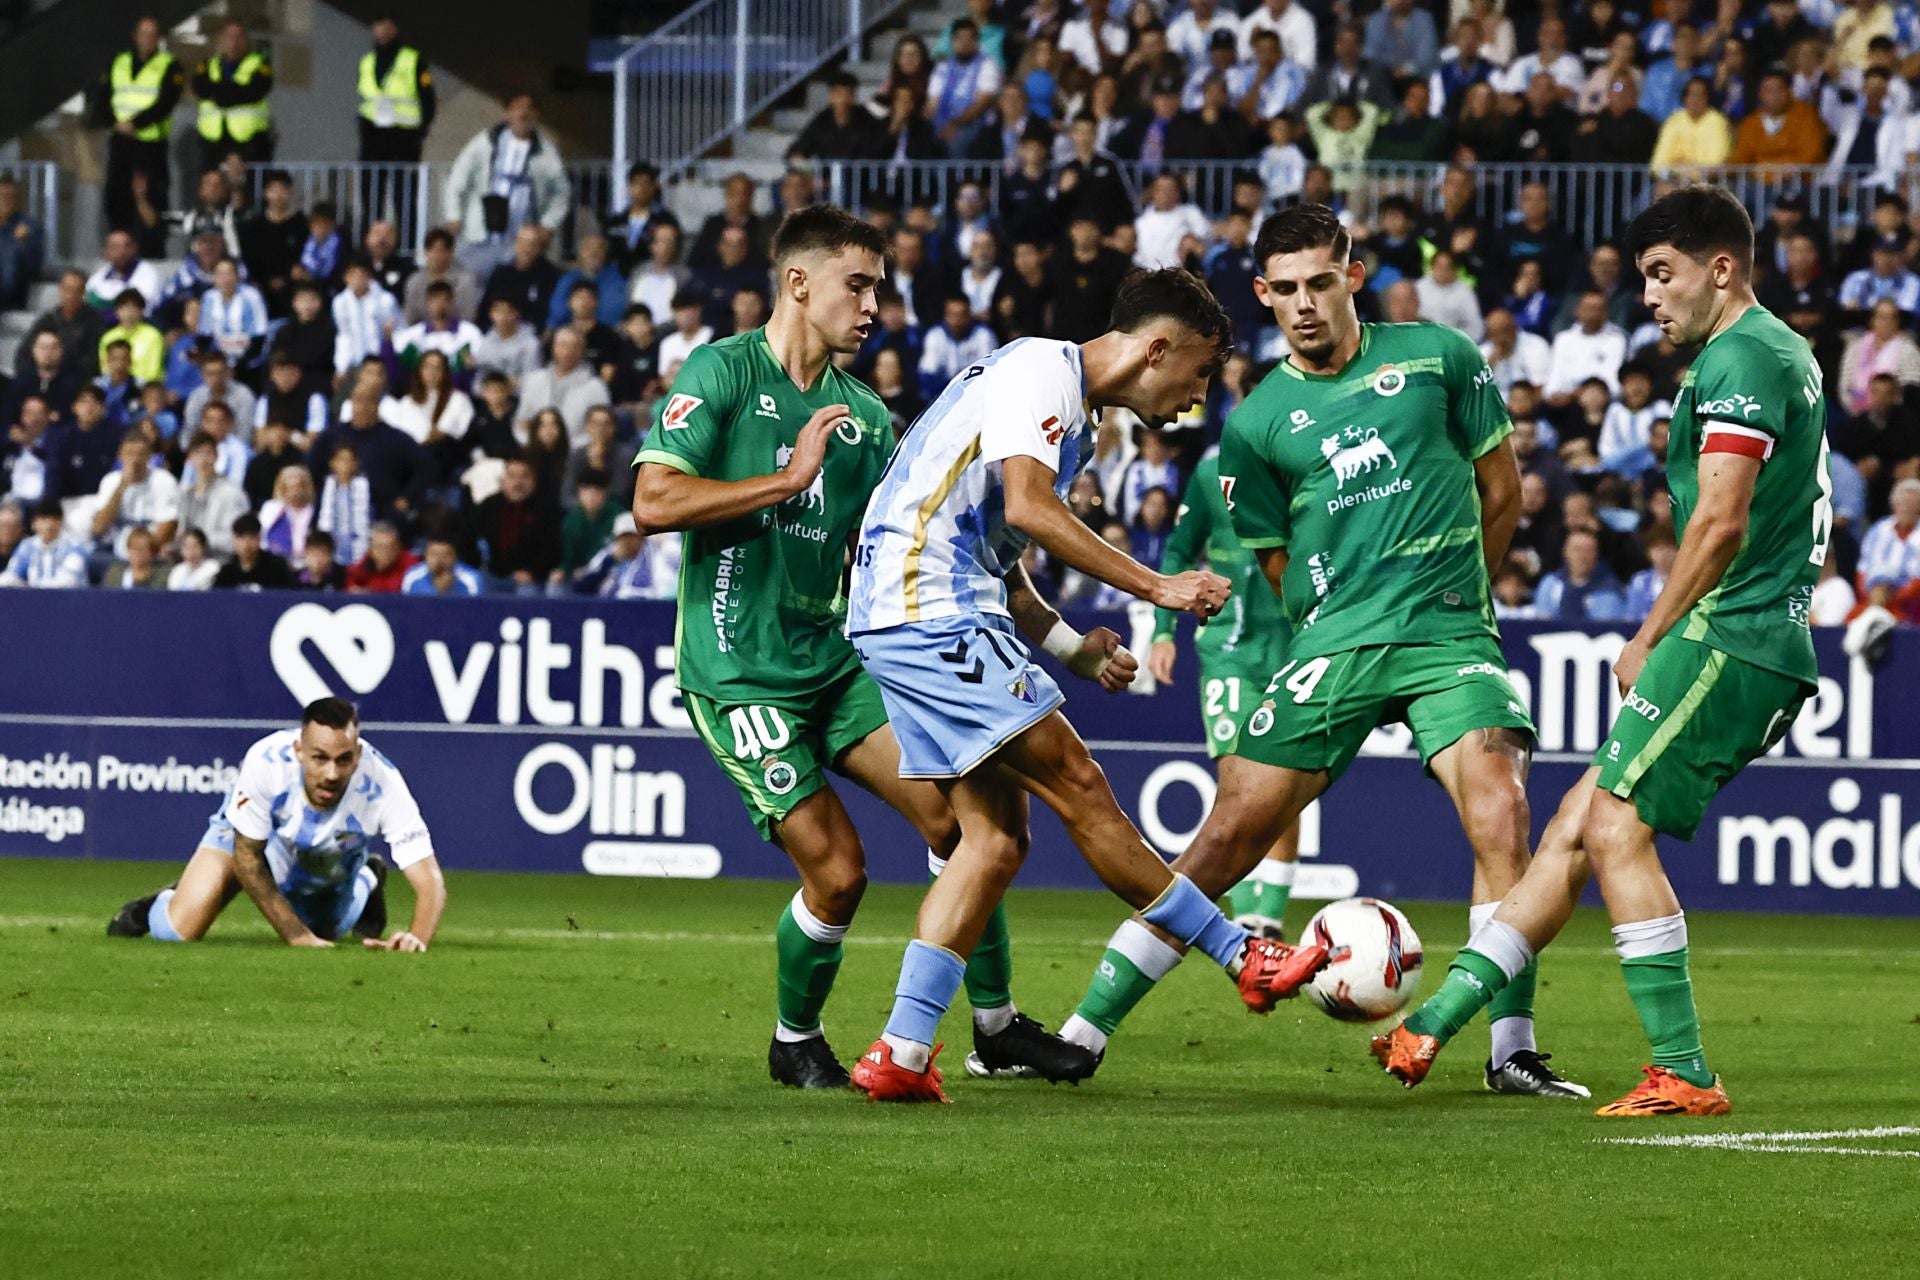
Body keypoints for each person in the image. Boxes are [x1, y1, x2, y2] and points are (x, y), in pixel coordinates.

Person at [1056, 205, 1585, 1100]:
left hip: (1447, 636)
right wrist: (1329, 620)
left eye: (1320, 282)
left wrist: (1463, 596)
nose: (1304, 304)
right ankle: (1080, 1033)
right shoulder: (1257, 423)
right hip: (1331, 645)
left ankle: (1512, 1050)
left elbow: (1503, 491)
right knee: (1226, 834)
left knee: (1501, 814)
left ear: (1353, 273)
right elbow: (1274, 563)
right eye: (1285, 290)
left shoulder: (1439, 358)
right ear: (1262, 294)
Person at [1377, 185, 1833, 1117]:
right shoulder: (1777, 348)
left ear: (1722, 268)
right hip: (1751, 635)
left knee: (1616, 831)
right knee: (1573, 832)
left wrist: (1650, 631)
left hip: (1730, 635)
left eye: (1665, 276)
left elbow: (1720, 520)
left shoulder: (1743, 354)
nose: (1652, 299)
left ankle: (1685, 1070)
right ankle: (1435, 1023)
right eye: (1644, 281)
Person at [843, 266, 1314, 1103]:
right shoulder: (1039, 371)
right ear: (1156, 348)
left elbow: (1001, 549)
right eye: (1199, 371)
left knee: (992, 841)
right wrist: (1157, 587)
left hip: (926, 609)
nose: (1198, 396)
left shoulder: (1071, 419)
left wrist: (1069, 647)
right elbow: (1028, 508)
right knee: (1078, 782)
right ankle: (1244, 957)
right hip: (926, 609)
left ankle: (901, 1054)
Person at [632, 205, 1070, 1090]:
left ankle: (993, 1025)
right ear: (799, 283)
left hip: (834, 664)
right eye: (857, 285)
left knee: (962, 818)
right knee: (838, 874)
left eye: (880, 288)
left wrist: (1058, 633)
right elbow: (654, 502)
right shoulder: (719, 372)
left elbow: (943, 542)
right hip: (738, 675)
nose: (875, 306)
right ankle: (795, 1038)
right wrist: (787, 480)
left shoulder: (867, 419)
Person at [108, 698, 444, 950]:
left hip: (327, 852)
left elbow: (430, 881)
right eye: (319, 758)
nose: (331, 773)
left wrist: (417, 938)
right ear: (299, 750)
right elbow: (247, 858)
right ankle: (159, 903)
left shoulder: (382, 782)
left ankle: (368, 877)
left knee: (329, 931)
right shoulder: (265, 762)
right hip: (250, 839)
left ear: (357, 755)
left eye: (343, 760)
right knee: (175, 932)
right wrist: (297, 936)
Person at [1147, 450, 1303, 937]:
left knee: (1286, 783)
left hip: (1296, 650)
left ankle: (1266, 920)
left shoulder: (1311, 466)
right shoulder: (1211, 473)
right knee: (1239, 782)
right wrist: (1162, 631)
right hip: (1229, 652)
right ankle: (1246, 918)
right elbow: (1178, 549)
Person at [444, 93, 570, 280]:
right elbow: (458, 178)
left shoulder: (546, 153)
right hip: (479, 235)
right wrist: (453, 215)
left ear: (536, 115)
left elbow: (562, 194)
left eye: (529, 108)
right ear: (506, 114)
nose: (523, 113)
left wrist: (547, 225)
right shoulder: (485, 143)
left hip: (519, 241)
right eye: (518, 107)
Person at [96, 17, 184, 244]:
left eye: (153, 34)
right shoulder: (119, 61)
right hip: (121, 142)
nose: (148, 39)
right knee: (117, 194)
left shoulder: (169, 64)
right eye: (144, 33)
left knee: (152, 197)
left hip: (150, 145)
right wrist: (115, 122)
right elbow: (103, 98)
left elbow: (166, 102)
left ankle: (153, 245)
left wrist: (135, 123)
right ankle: (119, 242)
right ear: (135, 36)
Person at [356, 16, 436, 234]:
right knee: (371, 197)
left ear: (396, 29)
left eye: (387, 26)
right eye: (378, 25)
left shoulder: (413, 59)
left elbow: (427, 98)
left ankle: (407, 247)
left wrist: (421, 130)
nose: (382, 31)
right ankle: (371, 245)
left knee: (405, 198)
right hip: (373, 137)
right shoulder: (367, 61)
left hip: (404, 138)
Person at [192, 20, 273, 172]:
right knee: (213, 188)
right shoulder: (208, 64)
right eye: (229, 37)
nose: (233, 42)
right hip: (213, 141)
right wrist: (234, 92)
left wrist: (217, 94)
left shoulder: (260, 64)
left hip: (249, 141)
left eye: (238, 37)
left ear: (246, 41)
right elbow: (200, 87)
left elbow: (254, 91)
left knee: (249, 188)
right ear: (221, 40)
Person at [91, 428, 178, 560]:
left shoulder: (163, 479)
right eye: (130, 454)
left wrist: (142, 554)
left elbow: (168, 526)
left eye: (141, 454)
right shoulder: (110, 480)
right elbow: (98, 528)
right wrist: (121, 487)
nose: (135, 460)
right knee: (93, 559)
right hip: (116, 547)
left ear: (149, 455)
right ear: (120, 455)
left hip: (151, 548)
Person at [176, 430, 251, 557]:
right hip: (190, 558)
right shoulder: (185, 494)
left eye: (208, 453)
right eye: (197, 453)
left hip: (220, 558)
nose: (203, 460)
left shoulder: (231, 493)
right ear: (189, 458)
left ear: (216, 457)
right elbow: (182, 532)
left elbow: (234, 537)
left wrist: (198, 542)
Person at [1, 499, 87, 588]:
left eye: (54, 519)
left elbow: (68, 581)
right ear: (34, 523)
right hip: (34, 599)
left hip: (70, 599)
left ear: (61, 522)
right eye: (43, 519)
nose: (48, 525)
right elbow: (11, 574)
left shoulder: (74, 547)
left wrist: (29, 587)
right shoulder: (27, 546)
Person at [214, 512, 295, 590]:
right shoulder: (227, 572)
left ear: (259, 539)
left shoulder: (277, 568)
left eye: (251, 537)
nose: (246, 544)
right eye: (241, 538)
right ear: (234, 540)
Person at [401, 535, 482, 596]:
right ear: (425, 556)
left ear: (455, 557)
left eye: (445, 555)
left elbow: (477, 610)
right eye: (434, 554)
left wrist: (447, 590)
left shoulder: (471, 579)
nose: (439, 559)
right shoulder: (412, 576)